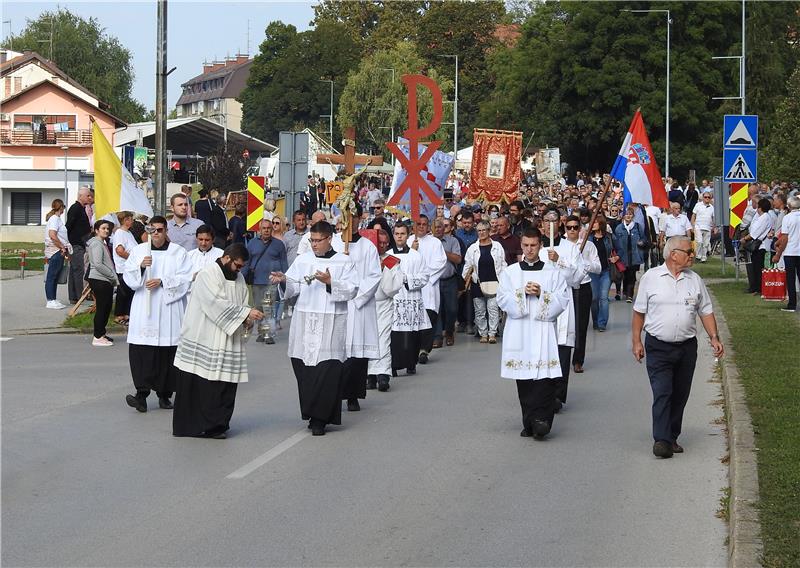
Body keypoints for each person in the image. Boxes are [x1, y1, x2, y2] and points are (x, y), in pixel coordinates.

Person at [632, 236, 724, 458]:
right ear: (673, 254)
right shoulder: (651, 278)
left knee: (680, 394)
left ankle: (672, 436)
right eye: (688, 251)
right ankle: (661, 440)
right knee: (663, 391)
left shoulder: (694, 280)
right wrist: (637, 341)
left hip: (686, 347)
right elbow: (639, 312)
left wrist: (714, 337)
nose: (691, 255)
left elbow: (706, 310)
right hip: (658, 346)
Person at [270, 221, 359, 436]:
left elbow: (352, 289)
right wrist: (283, 280)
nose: (314, 244)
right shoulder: (303, 260)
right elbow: (292, 286)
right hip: (305, 319)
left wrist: (330, 282)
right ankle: (311, 413)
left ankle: (321, 419)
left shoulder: (343, 261)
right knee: (304, 368)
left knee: (327, 371)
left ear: (329, 239)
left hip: (331, 322)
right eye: (312, 240)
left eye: (318, 240)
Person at [172, 244, 264, 438]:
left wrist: (247, 317)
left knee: (225, 384)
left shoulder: (238, 278)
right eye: (237, 265)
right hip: (204, 334)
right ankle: (195, 426)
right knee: (203, 384)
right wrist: (245, 313)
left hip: (227, 338)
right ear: (227, 258)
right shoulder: (208, 275)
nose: (240, 270)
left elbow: (242, 303)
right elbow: (215, 303)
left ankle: (218, 425)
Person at [496, 228, 570, 440]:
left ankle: (542, 421)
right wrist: (521, 294)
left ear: (540, 246)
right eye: (526, 245)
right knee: (525, 379)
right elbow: (502, 299)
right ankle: (529, 421)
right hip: (519, 332)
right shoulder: (510, 272)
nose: (529, 249)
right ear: (521, 245)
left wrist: (541, 294)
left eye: (534, 245)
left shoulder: (552, 272)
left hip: (542, 331)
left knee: (544, 379)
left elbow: (562, 300)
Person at [123, 216, 193, 413]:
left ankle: (165, 394)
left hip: (168, 309)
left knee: (166, 353)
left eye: (160, 230)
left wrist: (162, 281)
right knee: (142, 352)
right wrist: (140, 268)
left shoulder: (178, 253)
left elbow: (186, 277)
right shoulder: (139, 251)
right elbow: (129, 277)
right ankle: (141, 395)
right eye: (152, 230)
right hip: (144, 310)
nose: (155, 234)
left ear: (166, 231)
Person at [332, 203, 381, 412]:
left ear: (359, 219)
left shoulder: (367, 247)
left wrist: (355, 296)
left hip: (357, 306)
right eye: (345, 216)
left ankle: (353, 395)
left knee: (356, 354)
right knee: (334, 352)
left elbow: (374, 276)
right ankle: (333, 394)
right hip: (335, 304)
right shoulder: (333, 243)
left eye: (353, 216)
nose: (348, 220)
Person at [540, 209, 584, 410]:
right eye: (546, 220)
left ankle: (558, 395)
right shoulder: (536, 246)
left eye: (554, 220)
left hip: (564, 302)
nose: (550, 223)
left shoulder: (570, 248)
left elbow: (577, 278)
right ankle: (543, 391)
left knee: (562, 350)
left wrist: (559, 260)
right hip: (541, 302)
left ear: (560, 222)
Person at [367, 228, 405, 391]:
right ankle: (369, 375)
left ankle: (383, 374)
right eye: (379, 243)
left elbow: (394, 287)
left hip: (384, 303)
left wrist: (383, 270)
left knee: (383, 339)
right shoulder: (366, 259)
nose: (382, 246)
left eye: (385, 243)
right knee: (368, 339)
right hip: (367, 303)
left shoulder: (391, 261)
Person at [390, 223, 430, 376]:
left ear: (408, 236)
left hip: (411, 299)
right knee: (395, 335)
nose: (399, 236)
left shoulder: (416, 255)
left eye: (402, 233)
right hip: (395, 300)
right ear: (393, 235)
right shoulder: (388, 256)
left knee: (411, 333)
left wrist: (407, 278)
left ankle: (411, 363)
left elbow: (425, 276)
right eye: (397, 233)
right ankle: (393, 365)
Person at [407, 215, 447, 364]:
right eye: (419, 224)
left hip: (429, 287)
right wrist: (412, 252)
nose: (421, 227)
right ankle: (412, 349)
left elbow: (441, 263)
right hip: (411, 288)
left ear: (428, 226)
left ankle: (424, 349)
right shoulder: (409, 241)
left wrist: (423, 276)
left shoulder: (435, 243)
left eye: (424, 224)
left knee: (428, 319)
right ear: (414, 226)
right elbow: (403, 262)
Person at [563, 216, 600, 374]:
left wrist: (584, 263)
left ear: (580, 229)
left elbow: (598, 267)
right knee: (563, 325)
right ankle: (562, 357)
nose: (572, 230)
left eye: (575, 227)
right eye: (569, 227)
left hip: (583, 287)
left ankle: (578, 360)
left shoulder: (589, 245)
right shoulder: (560, 245)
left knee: (581, 326)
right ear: (565, 228)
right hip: (564, 287)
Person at [242, 218, 288, 342]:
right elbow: (247, 261)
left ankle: (269, 334)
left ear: (272, 229)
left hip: (272, 281)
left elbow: (284, 262)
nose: (266, 230)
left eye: (269, 228)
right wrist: (242, 276)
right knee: (259, 308)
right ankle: (262, 332)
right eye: (264, 228)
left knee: (269, 308)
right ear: (259, 230)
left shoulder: (278, 244)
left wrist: (285, 278)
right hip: (257, 281)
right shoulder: (252, 243)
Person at [463, 221, 507, 343]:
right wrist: (467, 279)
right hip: (478, 282)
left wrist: (504, 279)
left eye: (484, 230)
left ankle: (492, 333)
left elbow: (503, 264)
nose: (481, 233)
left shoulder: (497, 246)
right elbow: (467, 266)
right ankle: (483, 333)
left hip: (494, 281)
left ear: (488, 231)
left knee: (493, 309)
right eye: (479, 230)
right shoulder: (472, 248)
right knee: (479, 310)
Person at [86, 220, 118, 346]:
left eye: (107, 229)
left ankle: (101, 333)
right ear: (96, 230)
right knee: (102, 308)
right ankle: (98, 336)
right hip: (100, 279)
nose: (106, 230)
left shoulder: (101, 243)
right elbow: (98, 264)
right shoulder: (96, 244)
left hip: (104, 279)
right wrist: (112, 275)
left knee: (106, 307)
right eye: (103, 228)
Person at [432, 218, 462, 348]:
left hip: (450, 280)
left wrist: (442, 252)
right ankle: (437, 337)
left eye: (441, 227)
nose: (438, 229)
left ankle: (449, 332)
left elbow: (458, 259)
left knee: (452, 309)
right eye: (436, 227)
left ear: (444, 229)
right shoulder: (428, 242)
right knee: (436, 309)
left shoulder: (452, 241)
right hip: (434, 281)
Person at [65, 187, 93, 303]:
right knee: (78, 269)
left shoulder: (82, 208)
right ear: (80, 196)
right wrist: (67, 243)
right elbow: (68, 226)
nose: (90, 198)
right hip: (75, 244)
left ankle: (74, 296)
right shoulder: (75, 208)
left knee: (75, 270)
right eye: (88, 196)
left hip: (80, 243)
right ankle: (78, 295)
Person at [772, 196, 800, 312]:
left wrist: (778, 254)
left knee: (791, 278)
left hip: (790, 251)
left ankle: (792, 304)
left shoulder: (787, 218)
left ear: (788, 206)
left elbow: (785, 237)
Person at [588, 215, 616, 329]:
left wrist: (617, 257)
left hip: (605, 271)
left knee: (603, 297)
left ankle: (602, 323)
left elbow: (620, 249)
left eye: (595, 222)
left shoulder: (609, 237)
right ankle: (595, 320)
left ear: (601, 224)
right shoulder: (588, 238)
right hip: (593, 272)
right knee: (594, 298)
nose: (593, 224)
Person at [613, 208, 646, 303]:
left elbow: (643, 239)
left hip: (634, 256)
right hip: (622, 256)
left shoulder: (637, 227)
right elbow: (615, 242)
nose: (628, 216)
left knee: (631, 276)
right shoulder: (619, 228)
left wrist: (641, 245)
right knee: (623, 275)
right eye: (626, 214)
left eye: (630, 214)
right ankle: (620, 291)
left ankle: (629, 294)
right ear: (623, 216)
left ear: (633, 216)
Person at [43, 199, 71, 309]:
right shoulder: (54, 219)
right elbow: (52, 235)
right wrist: (62, 247)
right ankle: (50, 300)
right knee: (52, 276)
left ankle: (53, 298)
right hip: (55, 250)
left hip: (58, 250)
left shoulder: (57, 219)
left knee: (55, 276)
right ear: (62, 208)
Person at [742, 198, 773, 295]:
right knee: (755, 267)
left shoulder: (765, 217)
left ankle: (759, 289)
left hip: (760, 246)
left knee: (758, 268)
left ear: (760, 207)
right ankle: (756, 287)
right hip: (758, 245)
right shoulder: (761, 216)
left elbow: (756, 233)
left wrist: (745, 239)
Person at [112, 211, 138, 325]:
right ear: (126, 220)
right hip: (123, 267)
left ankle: (127, 314)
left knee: (129, 292)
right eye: (131, 219)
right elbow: (120, 251)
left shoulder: (129, 233)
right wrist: (132, 258)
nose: (132, 221)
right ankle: (119, 314)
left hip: (131, 268)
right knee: (123, 292)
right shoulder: (120, 233)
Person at [691, 192, 716, 262]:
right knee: (699, 241)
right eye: (705, 197)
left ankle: (703, 257)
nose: (707, 198)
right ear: (703, 198)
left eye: (709, 197)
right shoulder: (698, 205)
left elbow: (713, 218)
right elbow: (694, 215)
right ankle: (698, 256)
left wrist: (714, 227)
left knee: (706, 243)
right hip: (698, 226)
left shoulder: (712, 207)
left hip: (708, 227)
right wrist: (692, 225)